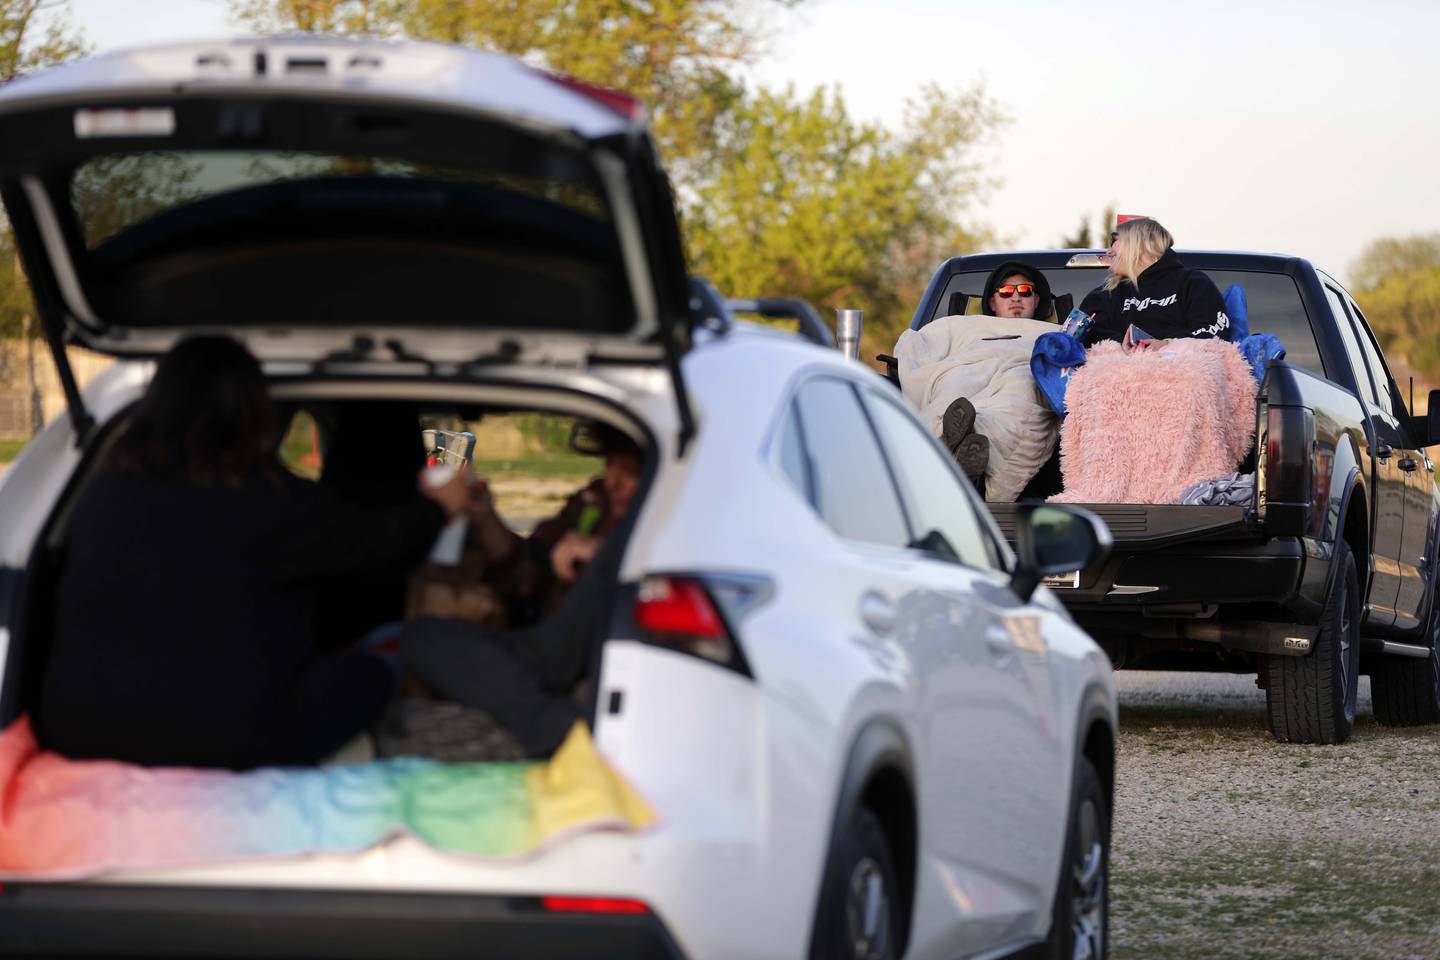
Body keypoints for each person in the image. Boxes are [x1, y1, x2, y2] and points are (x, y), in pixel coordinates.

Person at [35, 336, 470, 770]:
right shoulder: (272, 503)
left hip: (81, 731)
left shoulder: (101, 493)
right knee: (373, 674)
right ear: (250, 416)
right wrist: (440, 506)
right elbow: (383, 547)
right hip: (230, 740)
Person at [399, 421, 645, 758]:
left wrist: (603, 552)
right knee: (422, 637)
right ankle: (533, 708)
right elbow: (528, 573)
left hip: (590, 651)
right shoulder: (591, 502)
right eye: (609, 466)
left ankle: (555, 731)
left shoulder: (663, 522)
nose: (613, 481)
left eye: (629, 472)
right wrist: (484, 517)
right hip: (540, 638)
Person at [1080, 218, 1233, 348]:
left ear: (1141, 244)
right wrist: (1127, 346)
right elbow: (1083, 340)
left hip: (1180, 378)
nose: (1109, 251)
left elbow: (1214, 338)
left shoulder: (1193, 284)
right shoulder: (1106, 294)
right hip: (1120, 379)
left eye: (1116, 240)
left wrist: (1166, 345)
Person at [980, 261, 1054, 321]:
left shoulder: (1057, 336)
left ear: (1036, 301)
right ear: (992, 303)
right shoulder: (972, 336)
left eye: (1025, 290)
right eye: (1006, 291)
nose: (1016, 298)